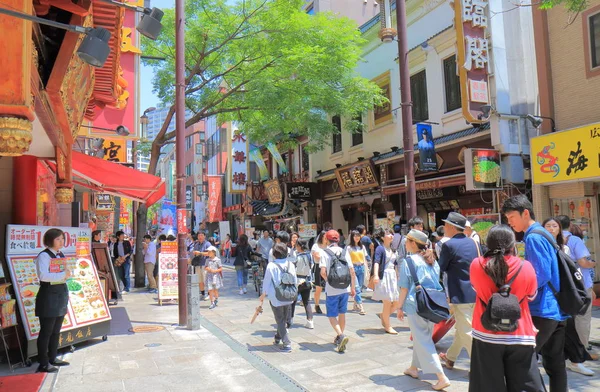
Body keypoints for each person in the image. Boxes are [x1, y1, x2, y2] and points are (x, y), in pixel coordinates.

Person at [502, 195, 568, 391]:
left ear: (525, 213)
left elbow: (540, 274)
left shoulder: (533, 236)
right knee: (555, 364)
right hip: (556, 308)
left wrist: (521, 294)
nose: (510, 222)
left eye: (512, 217)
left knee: (524, 360)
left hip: (542, 309)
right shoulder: (543, 233)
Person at [468, 225, 544, 392]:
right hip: (520, 334)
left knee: (486, 385)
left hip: (485, 333)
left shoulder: (476, 265)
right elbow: (531, 296)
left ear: (487, 244)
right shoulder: (526, 267)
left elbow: (475, 288)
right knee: (525, 384)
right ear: (513, 244)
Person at [397, 229, 450, 391]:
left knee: (423, 340)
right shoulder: (432, 260)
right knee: (423, 337)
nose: (405, 244)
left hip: (416, 305)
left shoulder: (409, 261)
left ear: (413, 243)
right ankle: (414, 368)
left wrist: (399, 307)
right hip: (432, 304)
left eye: (407, 241)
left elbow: (404, 288)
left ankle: (441, 376)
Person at [547, 217, 595, 375]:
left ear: (560, 228)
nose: (552, 229)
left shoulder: (563, 247)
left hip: (567, 290)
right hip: (559, 291)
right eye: (548, 226)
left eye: (555, 225)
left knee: (570, 323)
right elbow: (583, 262)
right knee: (576, 320)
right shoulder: (543, 244)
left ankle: (574, 357)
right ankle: (579, 353)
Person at [437, 212, 480, 370]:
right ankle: (450, 357)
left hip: (460, 294)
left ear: (451, 227)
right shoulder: (474, 243)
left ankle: (479, 365)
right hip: (476, 292)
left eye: (446, 225)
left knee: (466, 330)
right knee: (462, 329)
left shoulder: (448, 245)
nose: (444, 228)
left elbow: (441, 268)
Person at [557, 216, 597, 358]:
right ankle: (583, 349)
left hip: (562, 284)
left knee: (567, 317)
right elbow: (583, 262)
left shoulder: (552, 240)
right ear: (571, 225)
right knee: (582, 317)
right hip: (579, 283)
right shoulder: (574, 240)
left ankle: (566, 349)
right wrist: (593, 263)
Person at [35, 228, 71, 373]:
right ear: (50, 240)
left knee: (56, 330)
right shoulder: (44, 256)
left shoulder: (60, 254)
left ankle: (53, 357)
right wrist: (63, 274)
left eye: (62, 238)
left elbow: (64, 272)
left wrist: (66, 274)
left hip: (60, 294)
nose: (61, 241)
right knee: (46, 331)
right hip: (48, 295)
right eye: (58, 239)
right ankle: (43, 363)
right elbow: (43, 276)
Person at [320, 230, 356, 353]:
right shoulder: (345, 252)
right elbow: (352, 271)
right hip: (345, 288)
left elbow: (323, 272)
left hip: (332, 289)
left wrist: (329, 281)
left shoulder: (324, 253)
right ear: (338, 240)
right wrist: (353, 287)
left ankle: (340, 335)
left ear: (326, 239)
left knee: (331, 315)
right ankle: (339, 337)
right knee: (342, 313)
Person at [259, 243, 297, 352]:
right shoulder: (291, 264)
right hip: (289, 295)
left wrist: (263, 294)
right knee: (283, 319)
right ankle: (278, 337)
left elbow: (266, 282)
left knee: (280, 320)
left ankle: (287, 343)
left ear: (275, 254)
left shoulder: (271, 265)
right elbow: (294, 280)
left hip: (276, 296)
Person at [372, 228, 400, 334]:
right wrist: (375, 275)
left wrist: (397, 276)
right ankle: (388, 326)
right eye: (388, 234)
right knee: (387, 302)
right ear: (383, 237)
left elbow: (395, 264)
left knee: (397, 302)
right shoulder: (380, 248)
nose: (391, 235)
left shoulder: (393, 249)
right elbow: (376, 262)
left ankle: (384, 315)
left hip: (392, 276)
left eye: (392, 234)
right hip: (384, 276)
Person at [292, 239, 314, 329]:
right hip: (307, 280)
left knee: (292, 301)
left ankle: (290, 319)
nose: (296, 247)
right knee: (307, 301)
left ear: (300, 246)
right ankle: (310, 321)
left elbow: (293, 268)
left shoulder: (297, 256)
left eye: (297, 245)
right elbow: (312, 267)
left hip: (297, 280)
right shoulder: (309, 255)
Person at [345, 230, 368, 315]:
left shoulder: (362, 247)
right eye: (355, 236)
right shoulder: (349, 248)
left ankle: (355, 304)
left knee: (360, 287)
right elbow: (347, 259)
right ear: (352, 237)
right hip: (353, 268)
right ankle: (361, 307)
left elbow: (365, 258)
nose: (357, 237)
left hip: (361, 267)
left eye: (358, 236)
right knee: (357, 288)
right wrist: (351, 269)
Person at [193, 232, 212, 301]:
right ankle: (203, 294)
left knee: (206, 280)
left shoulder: (207, 244)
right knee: (200, 281)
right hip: (198, 264)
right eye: (199, 235)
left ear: (204, 236)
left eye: (201, 235)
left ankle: (209, 294)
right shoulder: (196, 244)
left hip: (205, 264)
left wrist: (200, 253)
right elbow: (194, 253)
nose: (200, 237)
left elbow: (210, 253)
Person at [311, 231, 326, 314]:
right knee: (319, 288)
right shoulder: (316, 246)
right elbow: (316, 256)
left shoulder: (329, 245)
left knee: (330, 287)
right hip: (318, 267)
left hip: (328, 268)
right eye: (325, 236)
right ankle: (317, 304)